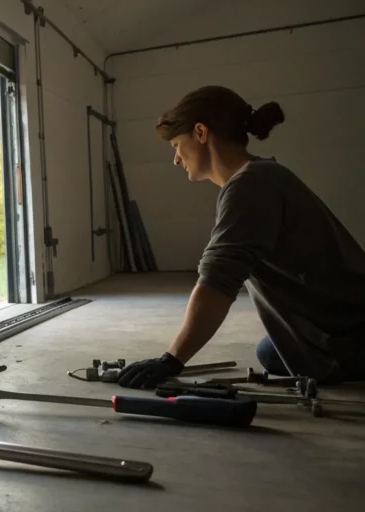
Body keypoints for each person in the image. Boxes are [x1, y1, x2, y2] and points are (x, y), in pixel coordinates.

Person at [117, 85, 365, 389]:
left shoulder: (251, 185)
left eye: (176, 145)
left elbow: (218, 282)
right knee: (270, 351)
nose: (176, 158)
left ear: (200, 132)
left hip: (350, 333)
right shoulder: (261, 175)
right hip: (342, 322)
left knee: (290, 355)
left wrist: (171, 359)